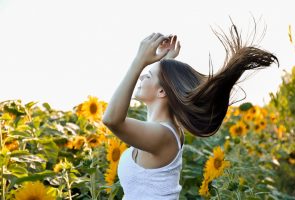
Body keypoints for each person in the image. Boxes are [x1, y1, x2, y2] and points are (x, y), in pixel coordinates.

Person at [102, 19, 279, 200]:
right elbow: (163, 85)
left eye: (147, 75)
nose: (140, 77)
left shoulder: (163, 136)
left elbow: (112, 119)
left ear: (162, 91)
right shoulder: (161, 130)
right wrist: (165, 62)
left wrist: (139, 60)